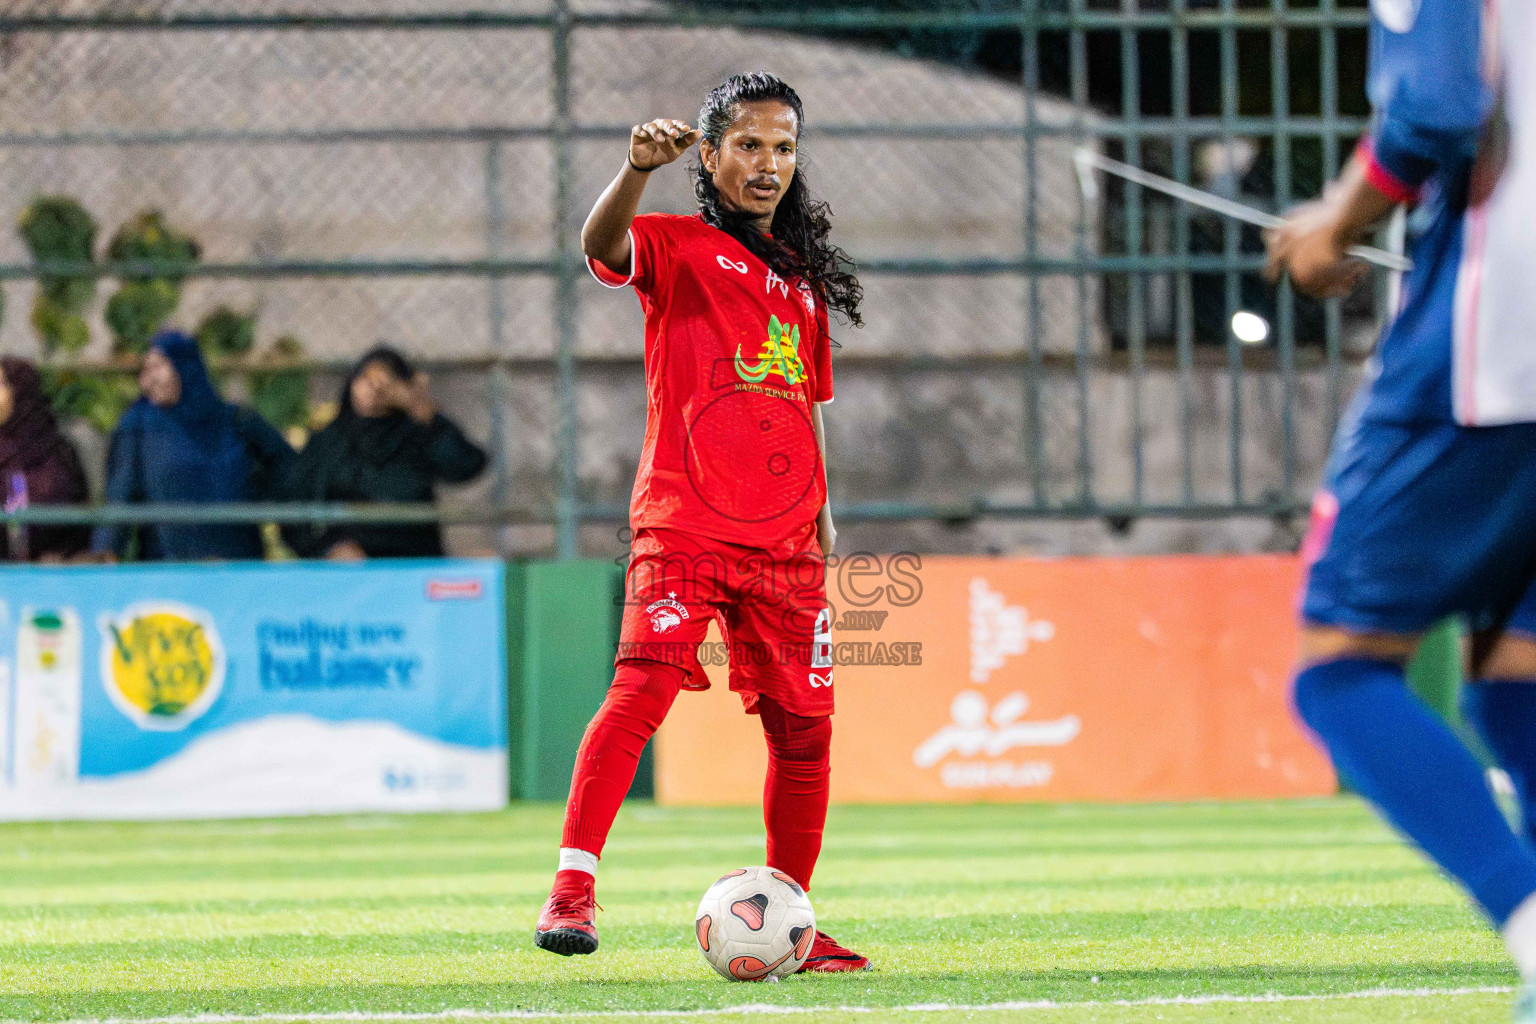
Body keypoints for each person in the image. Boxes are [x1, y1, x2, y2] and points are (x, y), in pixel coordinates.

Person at [533, 72, 870, 973]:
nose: (768, 165)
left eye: (784, 148)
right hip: (685, 523)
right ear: (712, 153)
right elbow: (600, 246)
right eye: (750, 145)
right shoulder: (675, 248)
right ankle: (573, 889)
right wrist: (633, 170)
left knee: (805, 732)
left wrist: (825, 517)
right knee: (639, 695)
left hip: (788, 542)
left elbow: (807, 403)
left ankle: (792, 919)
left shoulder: (801, 282)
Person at [1264, 1, 1536, 1018]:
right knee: (1515, 676)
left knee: (1338, 671)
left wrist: (1338, 220)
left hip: (1494, 351)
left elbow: (1438, 103)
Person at [93, 331, 293, 562]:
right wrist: (106, 551)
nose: (147, 381)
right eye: (145, 370)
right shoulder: (138, 427)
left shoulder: (235, 422)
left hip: (237, 568)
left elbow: (290, 472)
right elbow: (120, 496)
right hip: (170, 574)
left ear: (185, 368)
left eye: (158, 367)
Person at [281, 345, 486, 560]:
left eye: (386, 383)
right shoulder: (329, 440)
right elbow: (293, 509)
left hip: (412, 558)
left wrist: (427, 416)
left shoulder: (416, 435)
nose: (374, 389)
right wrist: (328, 548)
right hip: (348, 567)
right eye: (366, 380)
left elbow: (466, 466)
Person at [0, 357, 90, 562]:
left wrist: (64, 555)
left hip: (52, 577)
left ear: (20, 391)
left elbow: (80, 515)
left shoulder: (55, 450)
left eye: (1, 384)